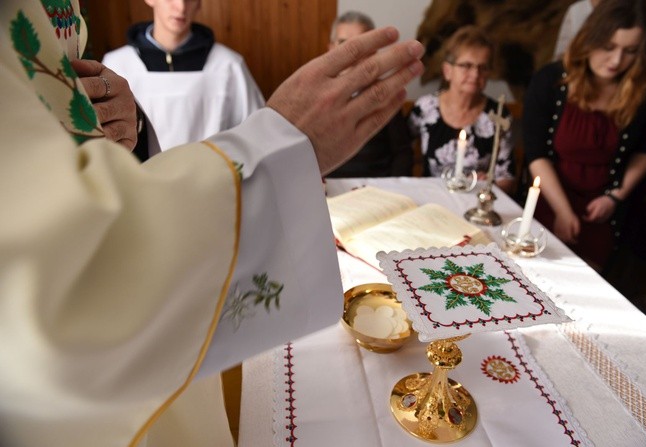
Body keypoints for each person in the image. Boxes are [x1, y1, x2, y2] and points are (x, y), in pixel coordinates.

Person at [0, 1, 425, 446]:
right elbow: (50, 275)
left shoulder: (227, 66)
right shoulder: (119, 57)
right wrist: (283, 145)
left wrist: (129, 129)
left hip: (182, 204)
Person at [523, 0, 646, 271]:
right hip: (548, 199)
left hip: (604, 210)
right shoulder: (550, 80)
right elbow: (536, 153)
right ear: (590, 37)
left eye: (630, 51)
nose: (616, 61)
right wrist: (563, 211)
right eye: (608, 47)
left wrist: (615, 197)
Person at [102, 0, 265, 151]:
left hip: (210, 178)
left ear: (199, 3)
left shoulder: (228, 66)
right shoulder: (117, 65)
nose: (181, 7)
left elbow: (256, 136)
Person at [408, 25, 516, 195]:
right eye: (466, 65)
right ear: (447, 70)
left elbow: (507, 178)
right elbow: (400, 151)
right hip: (432, 197)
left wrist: (489, 184)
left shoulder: (498, 116)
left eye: (483, 67)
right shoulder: (425, 108)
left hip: (474, 201)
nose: (475, 74)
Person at [326, 11, 414, 178]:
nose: (350, 52)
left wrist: (393, 188)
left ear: (372, 51)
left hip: (377, 187)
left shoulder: (386, 93)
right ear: (331, 48)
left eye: (358, 44)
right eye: (343, 43)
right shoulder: (320, 95)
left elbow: (402, 152)